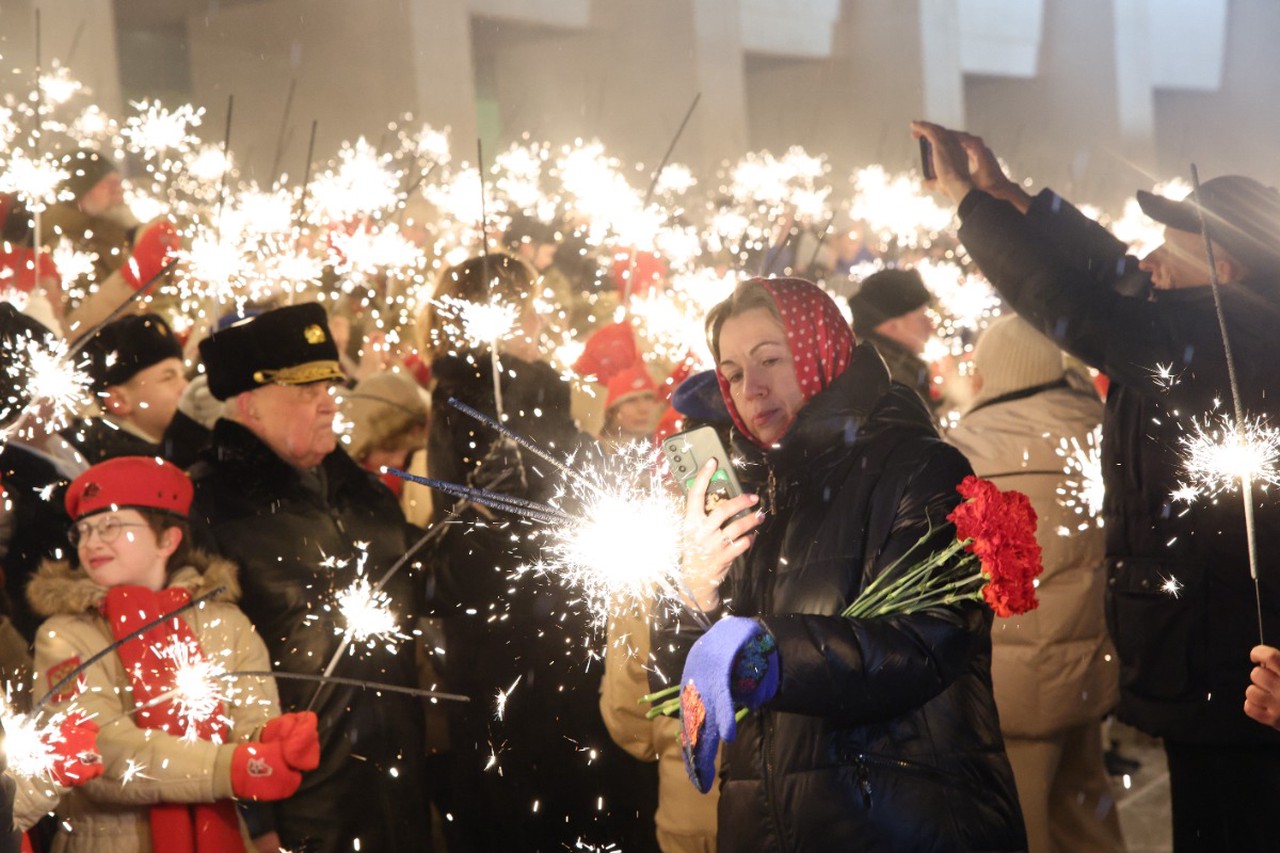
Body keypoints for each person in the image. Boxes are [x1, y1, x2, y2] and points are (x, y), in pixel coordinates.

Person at [915, 119, 1280, 851]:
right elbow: (1115, 268)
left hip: (1236, 673)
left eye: (1173, 250)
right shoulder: (1217, 323)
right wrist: (1011, 196)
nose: (1149, 262)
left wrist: (971, 207)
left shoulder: (1226, 345)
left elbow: (1080, 306)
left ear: (1229, 270)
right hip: (1216, 668)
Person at [653, 277, 1025, 851]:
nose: (751, 388)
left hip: (901, 824)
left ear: (822, 349)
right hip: (767, 828)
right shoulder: (746, 494)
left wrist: (766, 652)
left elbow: (925, 644)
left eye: (770, 359)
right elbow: (680, 688)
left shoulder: (919, 468)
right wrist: (694, 591)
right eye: (730, 373)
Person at [424, 253, 656, 851]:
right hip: (516, 652)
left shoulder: (545, 396)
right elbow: (457, 555)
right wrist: (483, 511)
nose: (535, 315)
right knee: (531, 805)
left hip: (563, 635)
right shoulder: (467, 402)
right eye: (521, 303)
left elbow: (588, 485)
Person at [188, 303, 430, 852]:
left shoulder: (364, 494)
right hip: (302, 808)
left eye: (328, 387)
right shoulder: (205, 506)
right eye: (305, 391)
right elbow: (203, 676)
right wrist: (255, 818)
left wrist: (488, 527)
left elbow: (430, 589)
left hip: (397, 794)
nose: (327, 404)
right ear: (249, 403)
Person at [29, 455, 318, 851]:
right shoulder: (64, 635)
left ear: (168, 539)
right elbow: (102, 755)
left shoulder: (225, 622)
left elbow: (248, 719)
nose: (92, 542)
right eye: (83, 531)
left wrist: (269, 736)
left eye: (110, 526)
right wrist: (227, 769)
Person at [946, 315, 1123, 853]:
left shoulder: (968, 445)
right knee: (1086, 809)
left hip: (1010, 680)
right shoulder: (1097, 425)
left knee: (1021, 826)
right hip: (1089, 662)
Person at [65, 313, 188, 463]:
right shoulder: (124, 468)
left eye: (183, 376)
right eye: (168, 378)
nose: (185, 387)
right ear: (118, 400)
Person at [847, 267, 937, 408]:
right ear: (890, 325)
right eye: (920, 318)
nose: (931, 326)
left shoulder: (884, 368)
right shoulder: (891, 382)